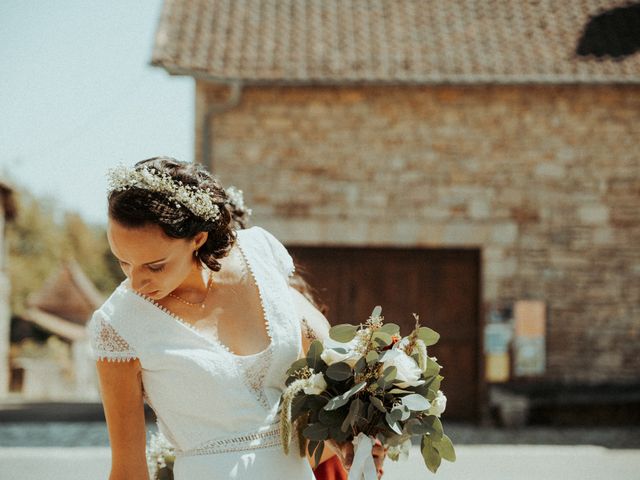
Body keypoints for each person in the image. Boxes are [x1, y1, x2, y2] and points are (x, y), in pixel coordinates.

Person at [89, 156, 385, 480]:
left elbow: (326, 362)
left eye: (155, 265)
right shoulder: (117, 325)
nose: (136, 281)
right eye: (122, 262)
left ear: (198, 239)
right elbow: (128, 470)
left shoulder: (259, 255)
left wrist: (351, 434)